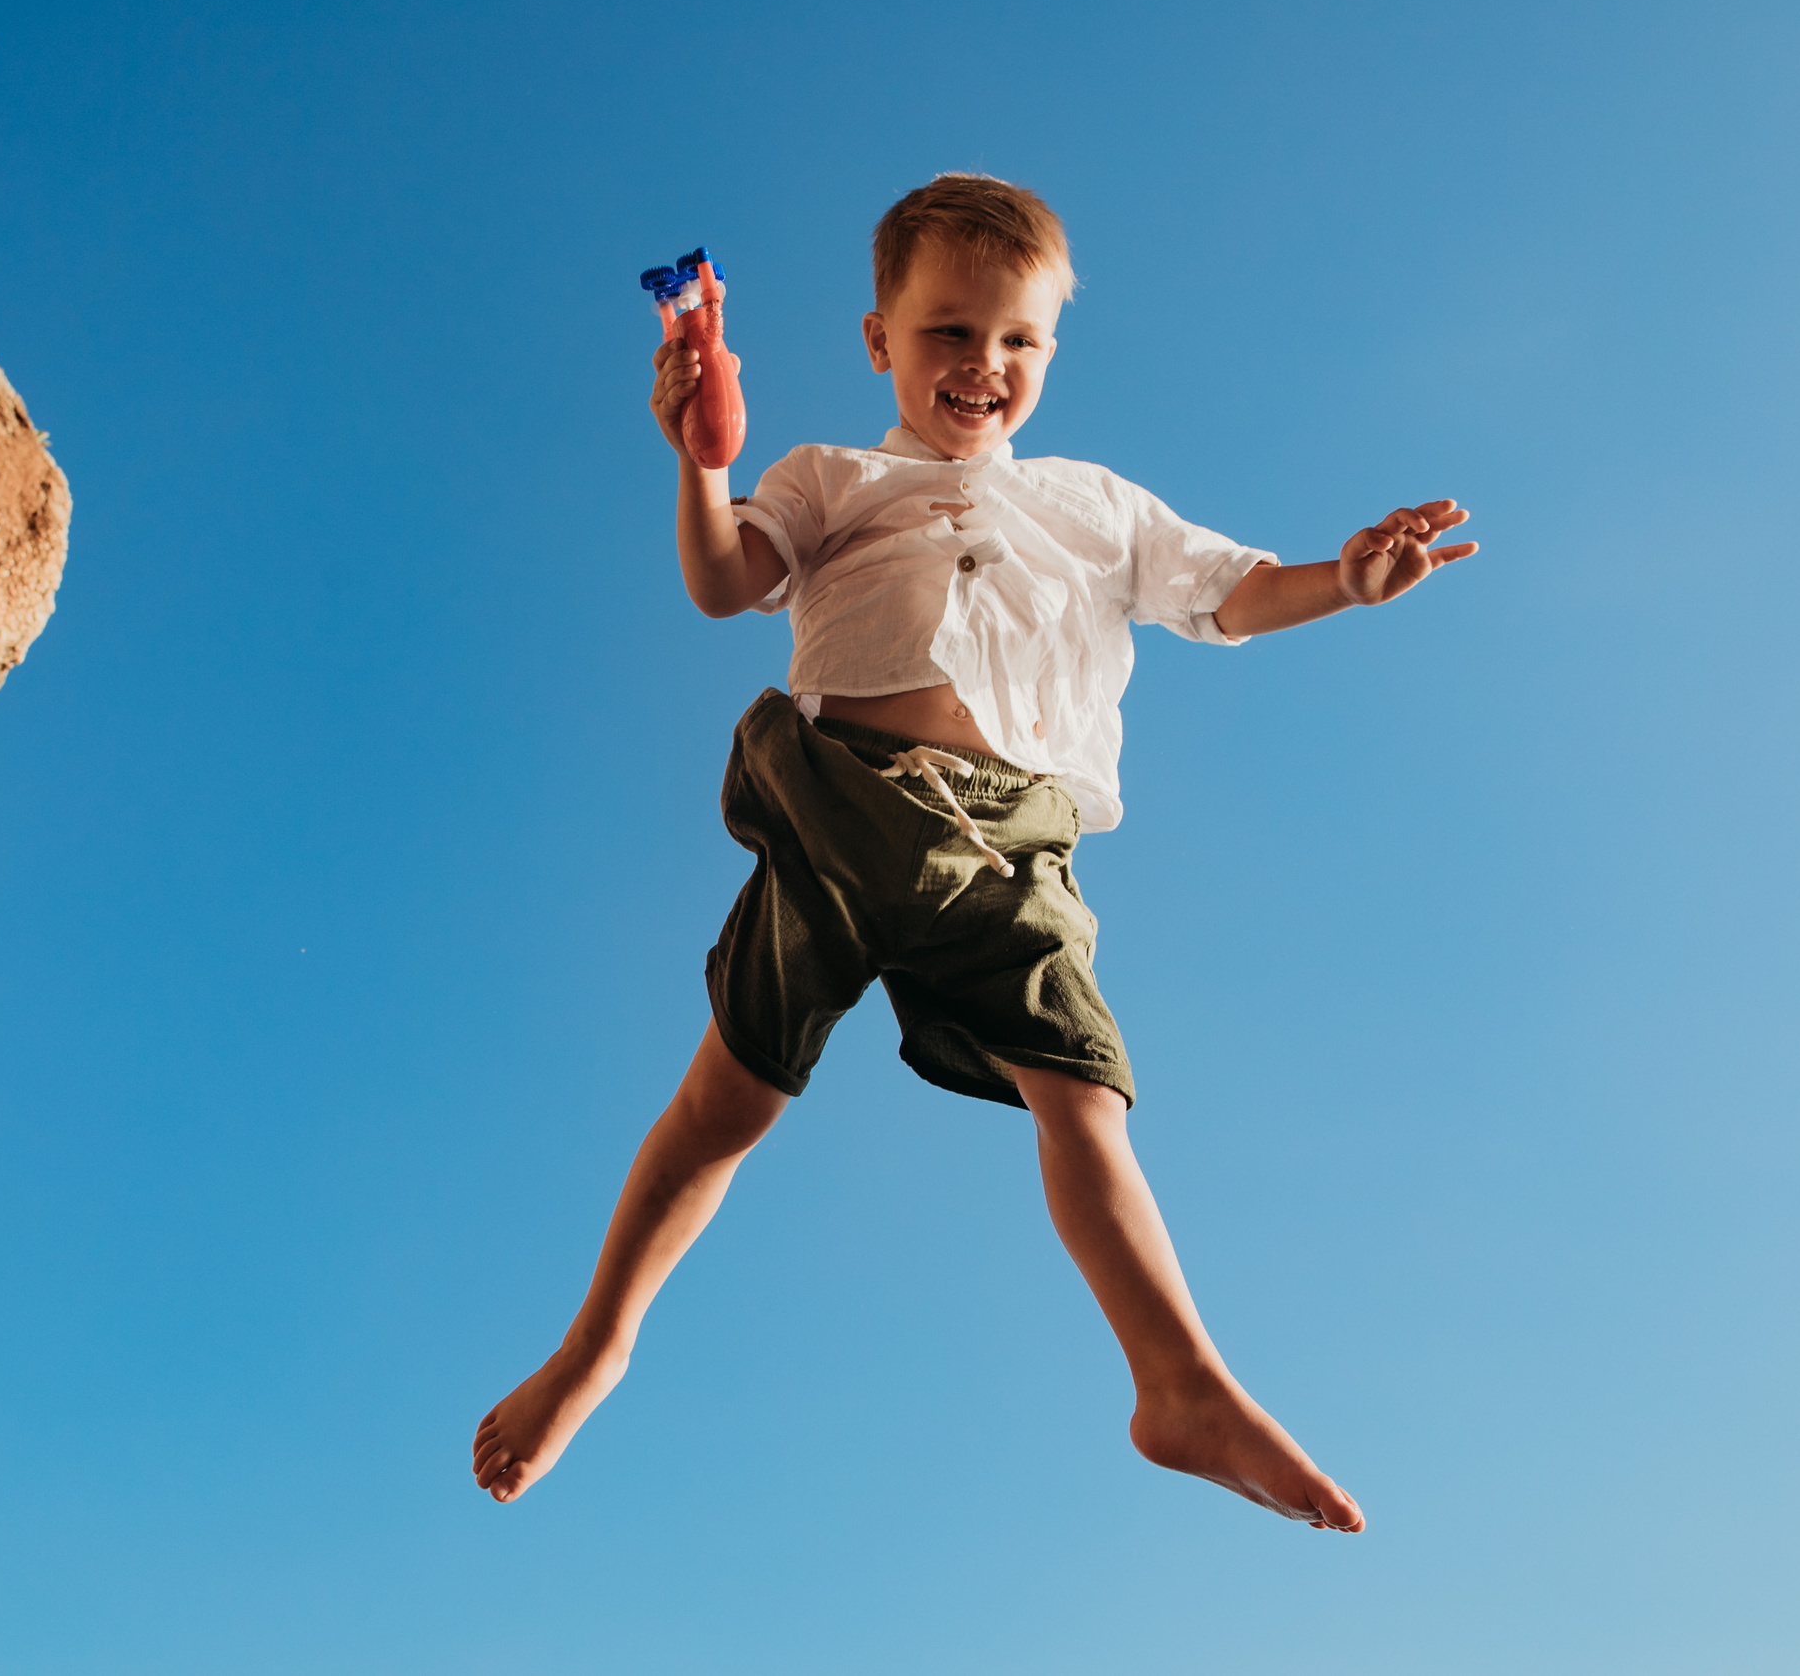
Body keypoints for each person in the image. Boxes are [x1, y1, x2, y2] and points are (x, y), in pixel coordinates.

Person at [472, 174, 1474, 1530]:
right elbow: (723, 583)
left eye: (1019, 340)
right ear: (879, 339)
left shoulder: (1096, 506)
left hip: (1008, 852)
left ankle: (1177, 1382)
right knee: (726, 1104)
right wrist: (703, 462)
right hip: (839, 811)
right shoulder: (831, 478)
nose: (984, 362)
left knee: (1085, 1097)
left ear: (1051, 351)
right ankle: (595, 1350)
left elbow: (1231, 595)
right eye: (949, 330)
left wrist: (1342, 583)